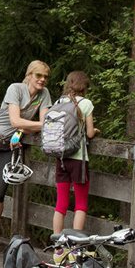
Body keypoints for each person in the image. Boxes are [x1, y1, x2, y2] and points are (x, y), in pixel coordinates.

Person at [0, 60, 53, 256]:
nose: (42, 80)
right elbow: (17, 120)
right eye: (39, 75)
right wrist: (37, 125)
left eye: (45, 77)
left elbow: (43, 120)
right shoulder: (15, 89)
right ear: (30, 75)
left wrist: (29, 126)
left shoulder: (44, 95)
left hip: (10, 145)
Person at [53, 71, 98, 235]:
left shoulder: (59, 101)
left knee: (61, 203)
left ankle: (57, 245)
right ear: (85, 87)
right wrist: (96, 131)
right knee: (80, 204)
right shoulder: (86, 104)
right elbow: (90, 133)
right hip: (79, 159)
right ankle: (74, 247)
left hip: (61, 157)